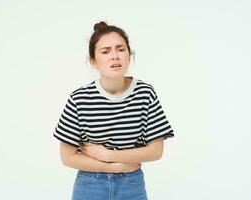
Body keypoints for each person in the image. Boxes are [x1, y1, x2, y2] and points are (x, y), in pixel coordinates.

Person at [53, 21, 174, 200]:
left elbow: (155, 151)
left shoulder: (144, 93)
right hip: (90, 184)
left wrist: (109, 155)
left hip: (131, 184)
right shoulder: (79, 98)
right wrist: (113, 167)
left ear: (129, 55)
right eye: (105, 51)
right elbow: (68, 157)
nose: (114, 56)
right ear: (93, 61)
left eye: (120, 49)